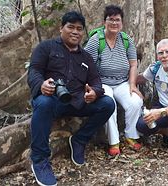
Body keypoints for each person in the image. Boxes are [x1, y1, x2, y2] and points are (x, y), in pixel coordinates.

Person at [27, 11, 115, 186]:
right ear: (61, 28)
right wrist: (42, 84)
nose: (75, 32)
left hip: (76, 101)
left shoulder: (86, 57)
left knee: (107, 104)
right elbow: (34, 71)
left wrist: (95, 93)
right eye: (71, 27)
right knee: (43, 103)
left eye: (79, 29)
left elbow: (96, 81)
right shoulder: (46, 47)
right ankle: (40, 160)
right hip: (51, 99)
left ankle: (79, 140)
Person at [85, 5, 143, 156]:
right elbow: (86, 65)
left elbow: (133, 63)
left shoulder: (126, 40)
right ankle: (114, 141)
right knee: (109, 104)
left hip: (122, 82)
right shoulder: (96, 40)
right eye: (110, 19)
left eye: (117, 20)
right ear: (104, 22)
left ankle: (131, 135)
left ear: (122, 23)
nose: (114, 23)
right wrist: (90, 86)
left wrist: (132, 84)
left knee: (135, 102)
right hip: (102, 82)